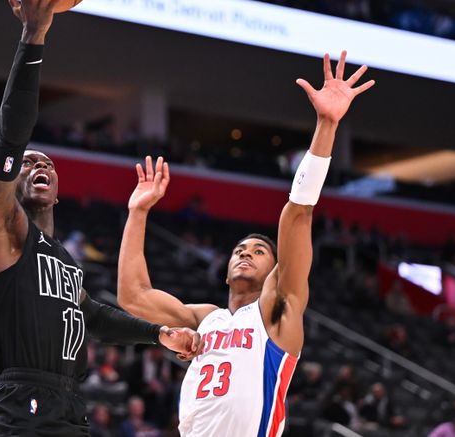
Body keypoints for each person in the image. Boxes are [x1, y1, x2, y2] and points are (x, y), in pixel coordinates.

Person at [0, 0, 201, 436]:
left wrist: (156, 334)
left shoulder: (64, 258)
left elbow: (91, 314)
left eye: (49, 165)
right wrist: (33, 37)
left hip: (69, 405)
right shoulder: (4, 227)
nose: (42, 167)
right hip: (20, 403)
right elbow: (11, 135)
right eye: (30, 163)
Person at [117, 51, 375, 436]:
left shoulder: (277, 311)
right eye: (240, 250)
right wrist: (137, 213)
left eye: (258, 251)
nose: (245, 254)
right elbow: (134, 296)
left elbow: (298, 213)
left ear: (275, 270)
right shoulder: (206, 319)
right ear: (224, 272)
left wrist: (326, 124)